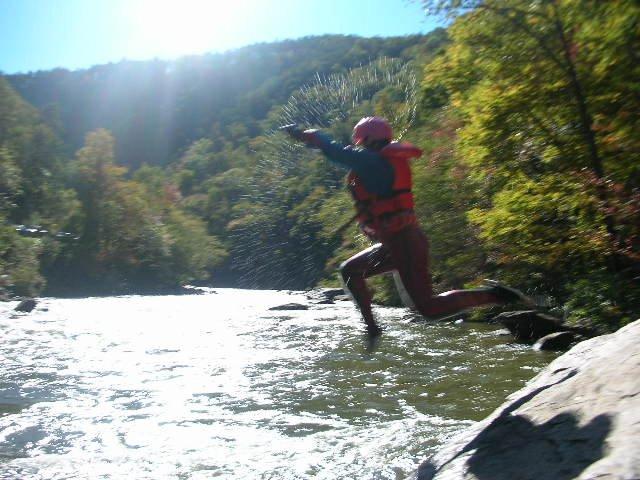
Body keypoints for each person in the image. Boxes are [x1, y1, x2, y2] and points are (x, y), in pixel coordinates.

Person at [283, 117, 531, 336]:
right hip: (396, 242)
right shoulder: (377, 161)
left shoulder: (373, 162)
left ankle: (498, 295)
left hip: (406, 242)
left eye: (361, 141)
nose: (358, 145)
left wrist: (307, 135)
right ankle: (372, 329)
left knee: (429, 309)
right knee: (350, 270)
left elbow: (336, 151)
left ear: (367, 139)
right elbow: (344, 155)